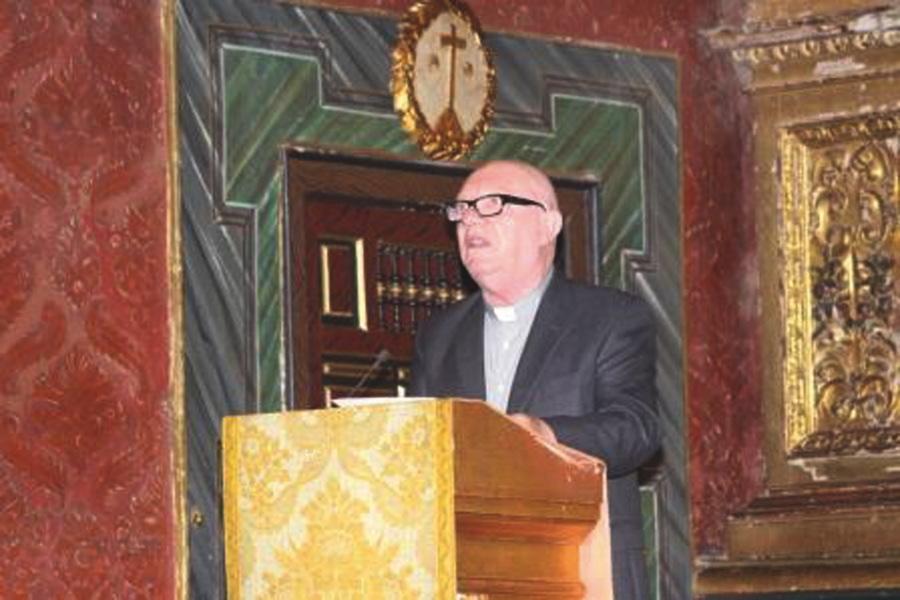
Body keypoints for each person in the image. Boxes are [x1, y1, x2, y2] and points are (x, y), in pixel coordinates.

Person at [410, 160, 659, 599]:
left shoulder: (610, 318)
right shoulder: (440, 334)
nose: (470, 221)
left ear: (548, 225)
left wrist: (547, 433)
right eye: (462, 210)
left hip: (581, 563)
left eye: (492, 205)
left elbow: (636, 429)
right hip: (472, 570)